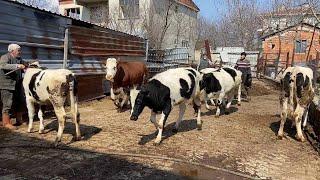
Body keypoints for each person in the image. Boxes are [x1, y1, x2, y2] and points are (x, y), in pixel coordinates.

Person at [0, 44, 28, 130]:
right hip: (7, 84)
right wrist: (17, 66)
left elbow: (25, 64)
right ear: (12, 51)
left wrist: (28, 65)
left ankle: (19, 120)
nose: (20, 52)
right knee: (7, 103)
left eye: (20, 50)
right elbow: (3, 65)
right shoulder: (5, 57)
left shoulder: (19, 59)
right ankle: (6, 123)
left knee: (20, 101)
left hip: (17, 84)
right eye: (18, 50)